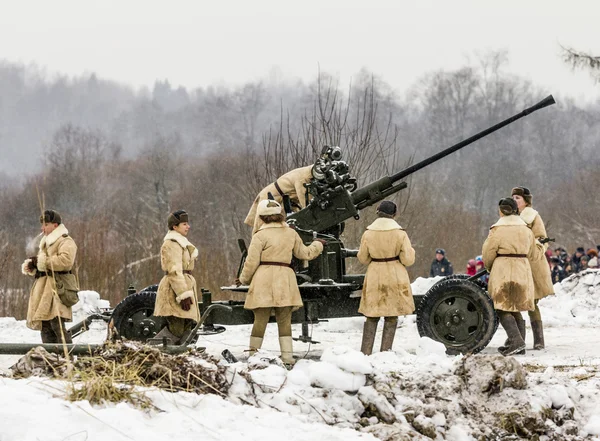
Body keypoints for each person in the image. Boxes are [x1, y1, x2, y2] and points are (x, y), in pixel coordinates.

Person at [237, 199, 324, 365]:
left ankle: (253, 356)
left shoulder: (260, 236)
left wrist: (243, 279)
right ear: (280, 215)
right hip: (285, 278)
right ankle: (287, 358)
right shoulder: (290, 233)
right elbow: (304, 254)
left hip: (264, 277)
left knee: (260, 320)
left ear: (261, 217)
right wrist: (317, 244)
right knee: (284, 320)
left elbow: (251, 262)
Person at [482, 198, 541, 356]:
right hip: (522, 267)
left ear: (501, 211)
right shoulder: (526, 229)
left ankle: (516, 340)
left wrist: (489, 266)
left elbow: (488, 253)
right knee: (515, 304)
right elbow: (533, 253)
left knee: (501, 306)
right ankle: (519, 342)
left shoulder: (497, 229)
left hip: (503, 268)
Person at [357, 200, 415, 355]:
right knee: (391, 316)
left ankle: (365, 352)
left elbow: (362, 258)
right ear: (393, 214)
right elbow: (408, 259)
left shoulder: (368, 233)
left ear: (378, 212)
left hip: (375, 273)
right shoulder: (400, 233)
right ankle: (385, 352)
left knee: (372, 315)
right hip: (395, 274)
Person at [21, 209, 78, 343]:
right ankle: (50, 361)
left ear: (55, 225)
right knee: (45, 326)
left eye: (46, 224)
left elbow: (65, 261)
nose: (43, 228)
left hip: (58, 289)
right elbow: (45, 265)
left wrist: (42, 261)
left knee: (56, 324)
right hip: (45, 291)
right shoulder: (46, 243)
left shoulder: (65, 241)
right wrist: (34, 265)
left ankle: (66, 360)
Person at [512, 187, 554, 350]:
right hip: (516, 263)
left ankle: (538, 340)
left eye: (518, 198)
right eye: (513, 197)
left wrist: (533, 249)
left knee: (532, 302)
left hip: (532, 264)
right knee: (514, 301)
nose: (515, 200)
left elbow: (542, 239)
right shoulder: (511, 217)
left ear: (526, 201)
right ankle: (518, 339)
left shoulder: (533, 216)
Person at [152, 210, 200, 344]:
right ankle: (150, 352)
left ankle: (182, 355)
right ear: (175, 227)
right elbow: (174, 271)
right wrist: (183, 295)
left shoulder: (181, 242)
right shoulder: (171, 243)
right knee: (176, 328)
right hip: (175, 290)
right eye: (184, 224)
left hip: (184, 286)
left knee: (186, 327)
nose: (188, 226)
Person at [244, 165, 314, 234]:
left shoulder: (305, 173)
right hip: (271, 196)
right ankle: (256, 243)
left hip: (286, 201)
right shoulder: (302, 177)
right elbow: (306, 202)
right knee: (260, 225)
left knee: (287, 225)